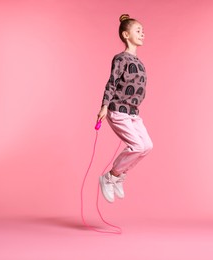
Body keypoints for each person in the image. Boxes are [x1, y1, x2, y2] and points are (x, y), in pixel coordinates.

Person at [96, 14, 153, 203]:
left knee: (146, 146)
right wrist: (104, 106)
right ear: (126, 34)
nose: (142, 34)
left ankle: (119, 175)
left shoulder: (140, 62)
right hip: (118, 109)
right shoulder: (120, 59)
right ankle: (109, 177)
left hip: (133, 113)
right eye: (138, 31)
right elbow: (112, 82)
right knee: (136, 146)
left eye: (143, 31)